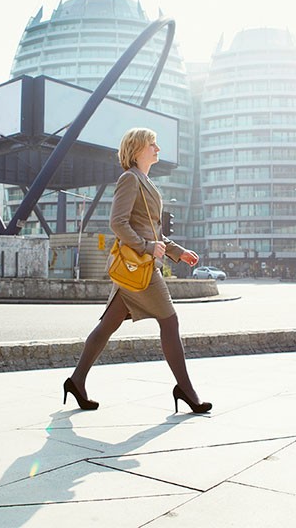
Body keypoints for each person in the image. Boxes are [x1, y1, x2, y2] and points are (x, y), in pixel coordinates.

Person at [63, 127, 212, 414]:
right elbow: (118, 224)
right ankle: (186, 390)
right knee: (170, 322)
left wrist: (178, 252)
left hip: (137, 267)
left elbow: (153, 231)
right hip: (140, 266)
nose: (157, 149)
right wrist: (146, 246)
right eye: (152, 145)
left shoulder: (146, 182)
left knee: (108, 325)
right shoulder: (129, 179)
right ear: (137, 149)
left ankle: (76, 380)